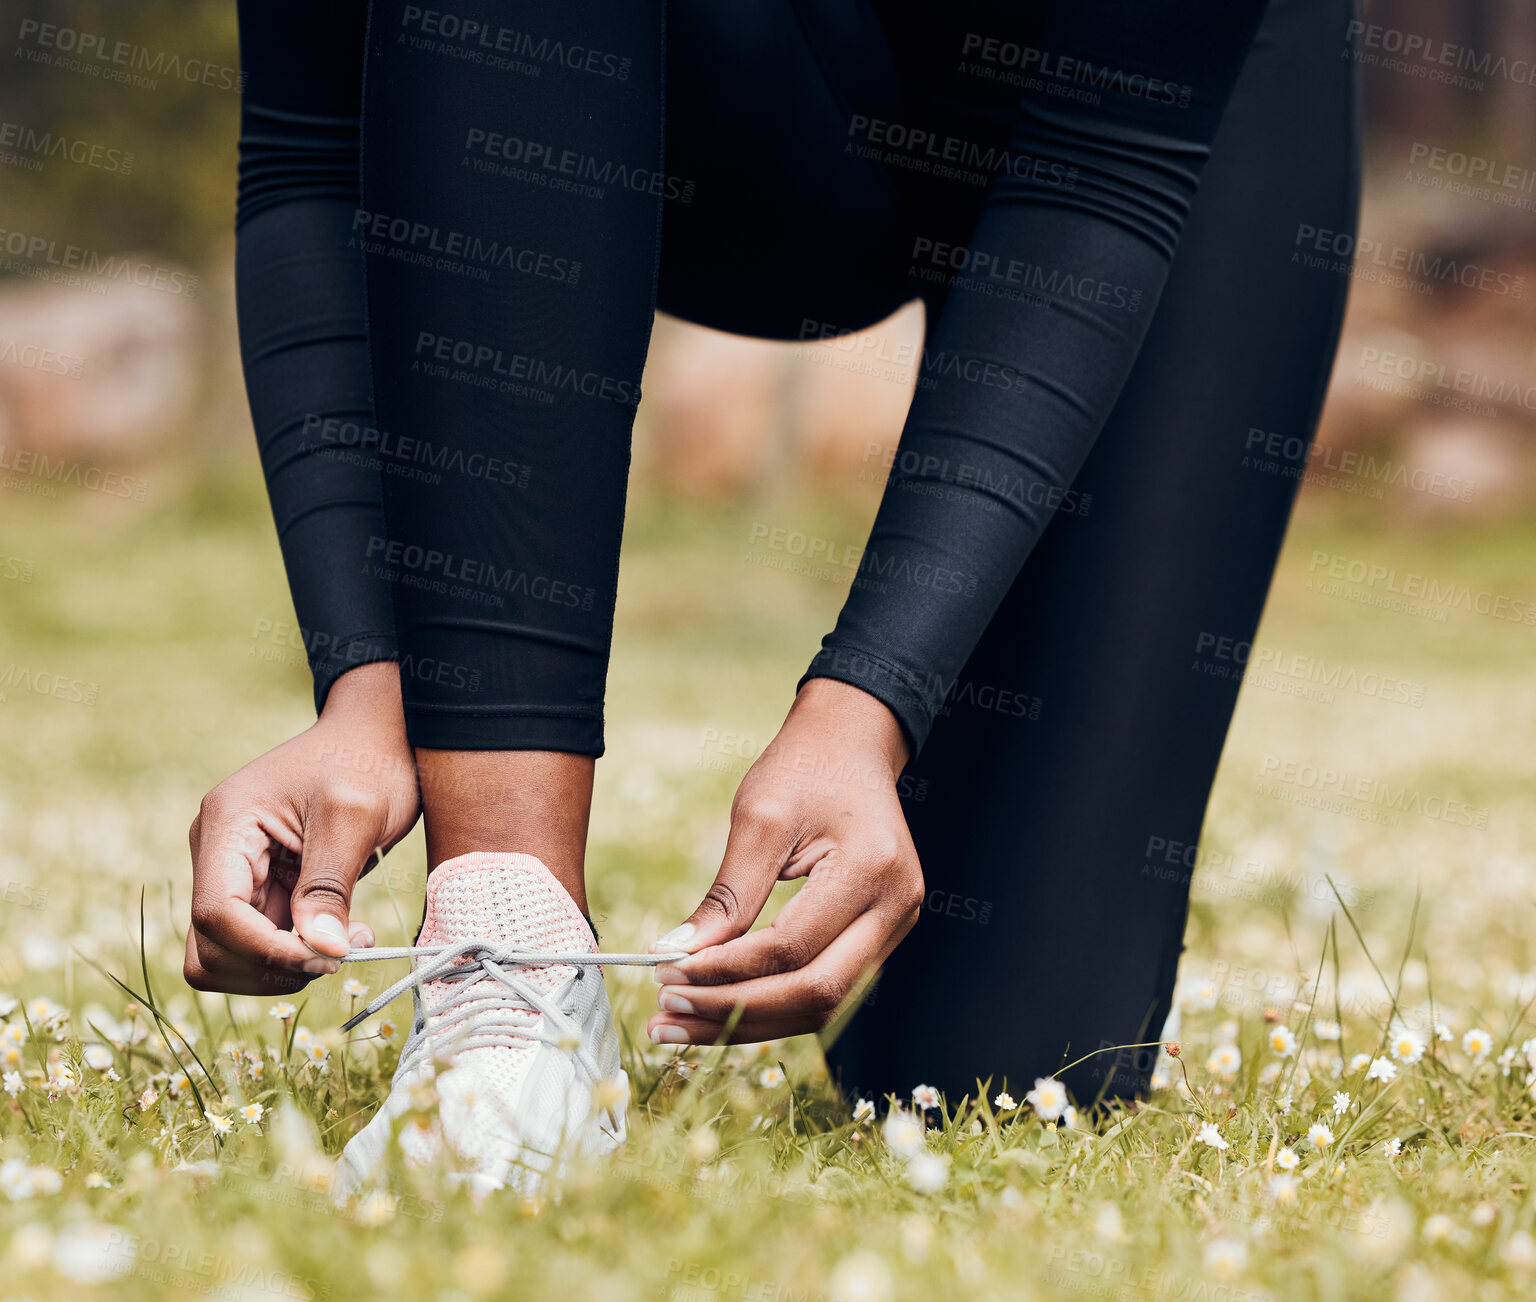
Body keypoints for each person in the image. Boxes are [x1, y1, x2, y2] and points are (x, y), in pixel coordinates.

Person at [187, 0, 1358, 1190]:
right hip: (682, 85)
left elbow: (1109, 164)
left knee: (1003, 1071)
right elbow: (317, 146)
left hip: (1142, 137)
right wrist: (368, 676)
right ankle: (512, 950)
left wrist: (869, 706)